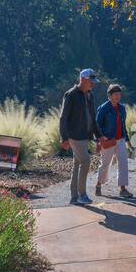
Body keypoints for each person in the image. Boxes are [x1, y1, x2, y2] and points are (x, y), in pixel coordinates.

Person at [59, 68, 99, 205]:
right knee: (86, 161)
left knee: (77, 164)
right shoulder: (70, 95)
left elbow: (93, 118)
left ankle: (74, 197)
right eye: (91, 81)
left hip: (85, 136)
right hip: (74, 136)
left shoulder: (90, 95)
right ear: (83, 80)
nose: (93, 84)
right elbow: (63, 118)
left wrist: (98, 136)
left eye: (94, 82)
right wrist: (64, 138)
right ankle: (82, 195)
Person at [94, 84, 133, 199]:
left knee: (123, 163)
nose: (118, 96)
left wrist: (127, 140)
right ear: (109, 95)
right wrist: (98, 142)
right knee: (105, 164)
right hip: (107, 140)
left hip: (120, 140)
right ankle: (98, 184)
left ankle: (123, 189)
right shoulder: (103, 108)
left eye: (119, 94)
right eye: (115, 94)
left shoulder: (122, 108)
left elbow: (123, 125)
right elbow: (97, 126)